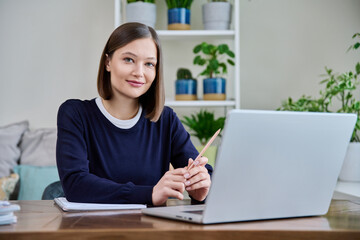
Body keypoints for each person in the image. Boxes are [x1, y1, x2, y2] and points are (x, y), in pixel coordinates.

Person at [56, 22, 213, 206]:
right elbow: (76, 185)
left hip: (152, 230)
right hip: (94, 230)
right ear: (108, 62)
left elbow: (202, 172)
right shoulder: (75, 114)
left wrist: (201, 186)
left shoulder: (165, 119)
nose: (139, 73)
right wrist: (150, 193)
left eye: (149, 64)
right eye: (129, 59)